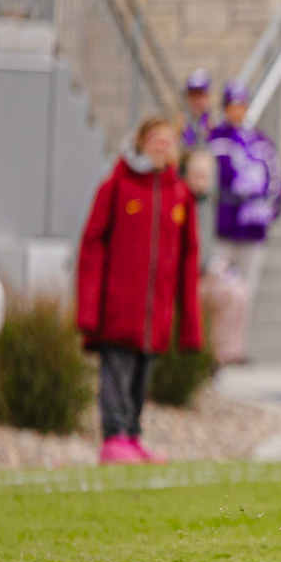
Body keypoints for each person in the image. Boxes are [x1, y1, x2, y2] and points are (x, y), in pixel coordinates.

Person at [76, 117, 204, 465]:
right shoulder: (117, 186)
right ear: (142, 141)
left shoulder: (180, 196)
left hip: (157, 312)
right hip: (119, 308)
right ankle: (114, 435)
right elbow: (92, 246)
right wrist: (88, 307)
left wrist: (190, 322)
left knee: (141, 375)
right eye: (155, 139)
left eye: (168, 140)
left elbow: (188, 259)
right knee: (117, 373)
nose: (161, 146)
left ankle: (132, 434)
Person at [204, 81, 281, 364]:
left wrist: (268, 211)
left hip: (252, 228)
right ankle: (212, 348)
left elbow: (275, 179)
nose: (237, 109)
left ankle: (235, 349)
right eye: (232, 104)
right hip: (223, 228)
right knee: (217, 289)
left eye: (241, 104)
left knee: (245, 292)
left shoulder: (260, 143)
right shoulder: (215, 140)